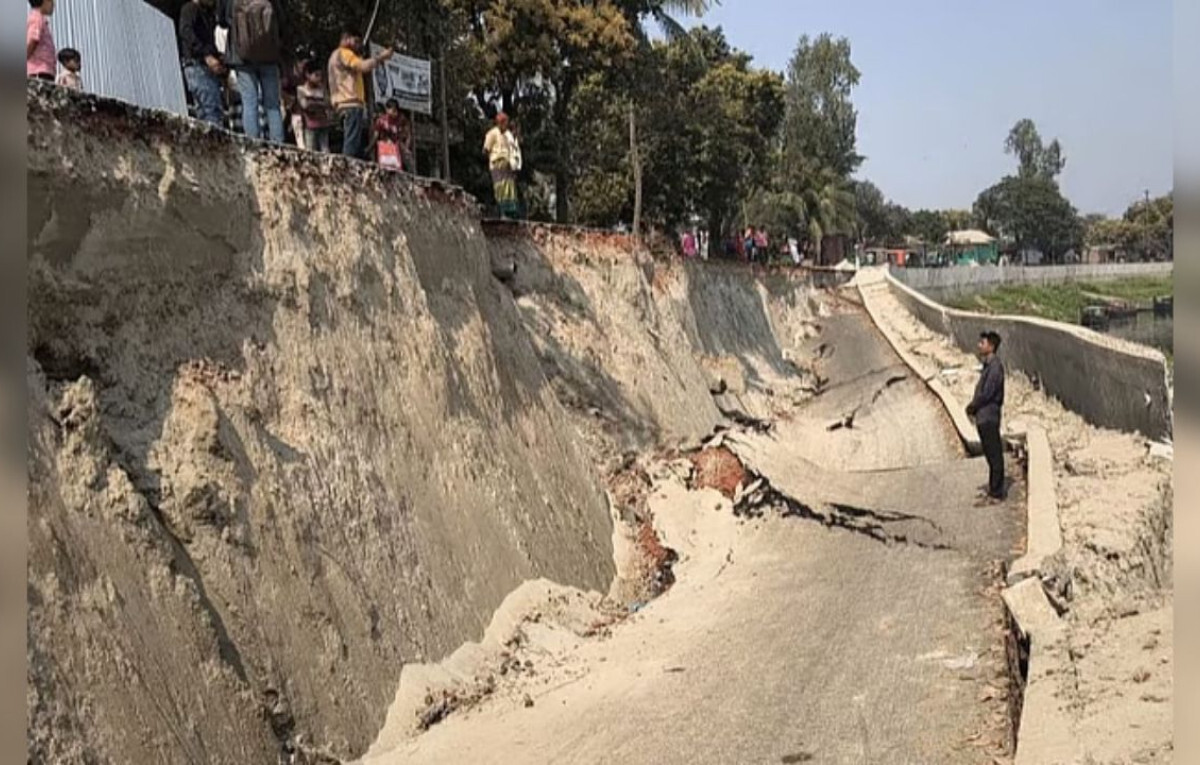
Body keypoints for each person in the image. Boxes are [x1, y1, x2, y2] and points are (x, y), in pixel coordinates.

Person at [219, 0, 284, 143]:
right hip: (269, 54)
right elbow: (280, 17)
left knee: (249, 102)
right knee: (272, 104)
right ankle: (278, 144)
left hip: (242, 55)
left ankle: (253, 144)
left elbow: (222, 21)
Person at [328, 31, 394, 159]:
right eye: (356, 41)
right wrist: (381, 57)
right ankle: (347, 169)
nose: (358, 45)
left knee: (354, 141)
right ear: (346, 39)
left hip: (342, 103)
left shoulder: (334, 56)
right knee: (351, 144)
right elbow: (363, 66)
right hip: (350, 102)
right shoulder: (345, 53)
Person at [966, 330, 1007, 503]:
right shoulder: (989, 366)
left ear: (991, 346)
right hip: (984, 416)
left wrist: (972, 406)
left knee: (994, 454)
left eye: (982, 343)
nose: (979, 346)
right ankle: (993, 489)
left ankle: (997, 493)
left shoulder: (995, 367)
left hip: (989, 415)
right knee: (990, 455)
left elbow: (988, 393)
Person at [178, 0, 226, 126]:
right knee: (211, 111)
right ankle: (215, 143)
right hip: (197, 65)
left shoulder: (206, 13)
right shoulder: (191, 9)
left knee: (205, 112)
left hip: (200, 65)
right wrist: (206, 55)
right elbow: (186, 33)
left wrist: (217, 56)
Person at [483, 113, 520, 219]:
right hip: (497, 164)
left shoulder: (508, 135)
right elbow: (486, 149)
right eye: (503, 123)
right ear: (499, 123)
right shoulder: (492, 133)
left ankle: (510, 213)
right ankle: (502, 212)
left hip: (508, 165)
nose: (505, 125)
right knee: (500, 188)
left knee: (510, 189)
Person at [296, 60, 332, 153]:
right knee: (310, 150)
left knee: (325, 149)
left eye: (320, 75)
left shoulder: (322, 89)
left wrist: (314, 102)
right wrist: (319, 103)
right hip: (310, 124)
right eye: (316, 75)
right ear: (308, 74)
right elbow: (305, 105)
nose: (319, 78)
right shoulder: (302, 90)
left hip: (323, 123)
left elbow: (328, 103)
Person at [373, 99, 414, 171]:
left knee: (407, 157)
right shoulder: (381, 120)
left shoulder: (402, 119)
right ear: (387, 110)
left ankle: (411, 173)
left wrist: (406, 147)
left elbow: (408, 134)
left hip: (398, 143)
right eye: (392, 110)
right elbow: (376, 136)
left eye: (395, 111)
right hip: (386, 146)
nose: (394, 113)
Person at [27, 0, 57, 82]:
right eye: (51, 1)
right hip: (38, 70)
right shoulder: (37, 18)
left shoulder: (41, 19)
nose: (54, 5)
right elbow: (33, 39)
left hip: (45, 69)